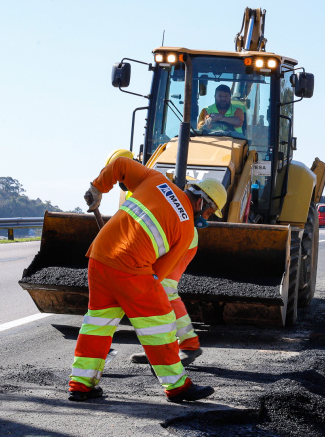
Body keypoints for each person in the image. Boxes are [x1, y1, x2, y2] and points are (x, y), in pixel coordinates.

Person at [68, 150, 227, 403]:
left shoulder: (156, 180)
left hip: (98, 258)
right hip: (130, 271)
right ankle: (176, 386)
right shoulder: (187, 231)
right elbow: (159, 274)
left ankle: (81, 385)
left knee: (98, 324)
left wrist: (97, 189)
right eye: (208, 213)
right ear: (201, 203)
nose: (205, 219)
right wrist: (142, 299)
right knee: (161, 322)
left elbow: (119, 163)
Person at [130, 226, 203, 367]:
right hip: (159, 238)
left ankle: (189, 344)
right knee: (149, 291)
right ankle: (157, 349)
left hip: (179, 237)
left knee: (164, 288)